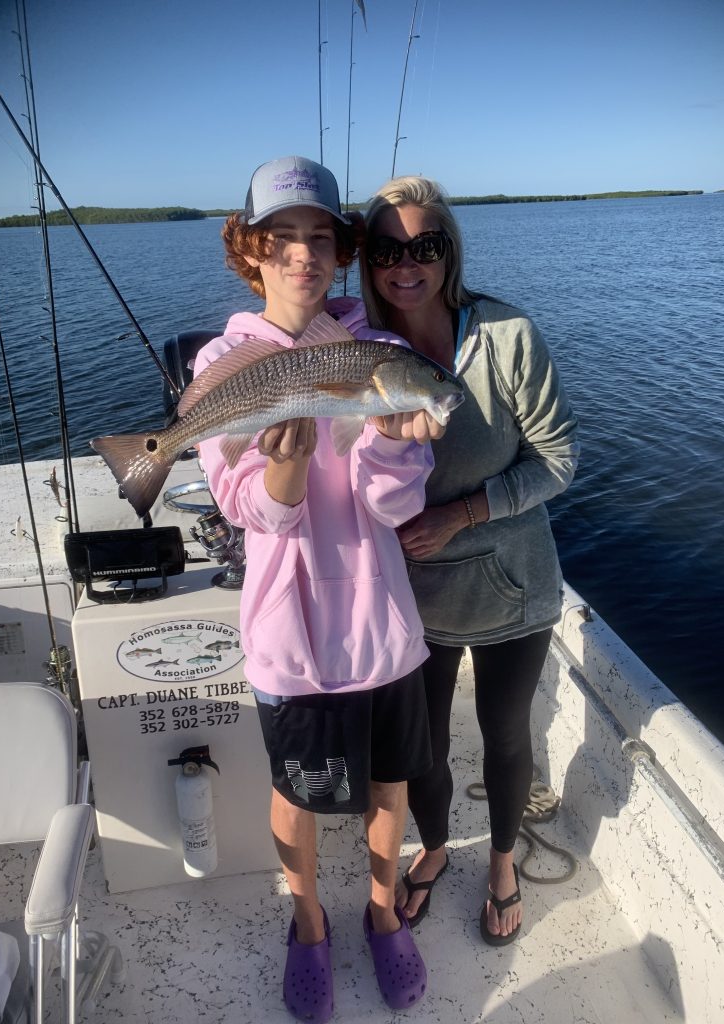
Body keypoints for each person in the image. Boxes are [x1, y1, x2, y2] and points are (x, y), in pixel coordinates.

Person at [194, 156, 445, 1023]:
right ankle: (307, 922)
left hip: (379, 625)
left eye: (320, 238)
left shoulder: (379, 352)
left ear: (341, 253)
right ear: (251, 249)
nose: (302, 254)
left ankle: (380, 913)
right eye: (282, 237)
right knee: (296, 790)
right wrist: (287, 477)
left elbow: (390, 502)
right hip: (289, 634)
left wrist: (391, 443)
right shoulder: (226, 361)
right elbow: (245, 510)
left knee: (388, 784)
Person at [359, 175, 579, 946]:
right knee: (420, 739)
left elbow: (557, 462)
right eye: (386, 247)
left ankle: (505, 860)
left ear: (451, 252)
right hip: (410, 595)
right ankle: (439, 848)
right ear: (368, 260)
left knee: (505, 731)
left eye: (426, 245)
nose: (406, 263)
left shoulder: (509, 335)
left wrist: (464, 512)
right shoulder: (359, 348)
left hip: (512, 587)